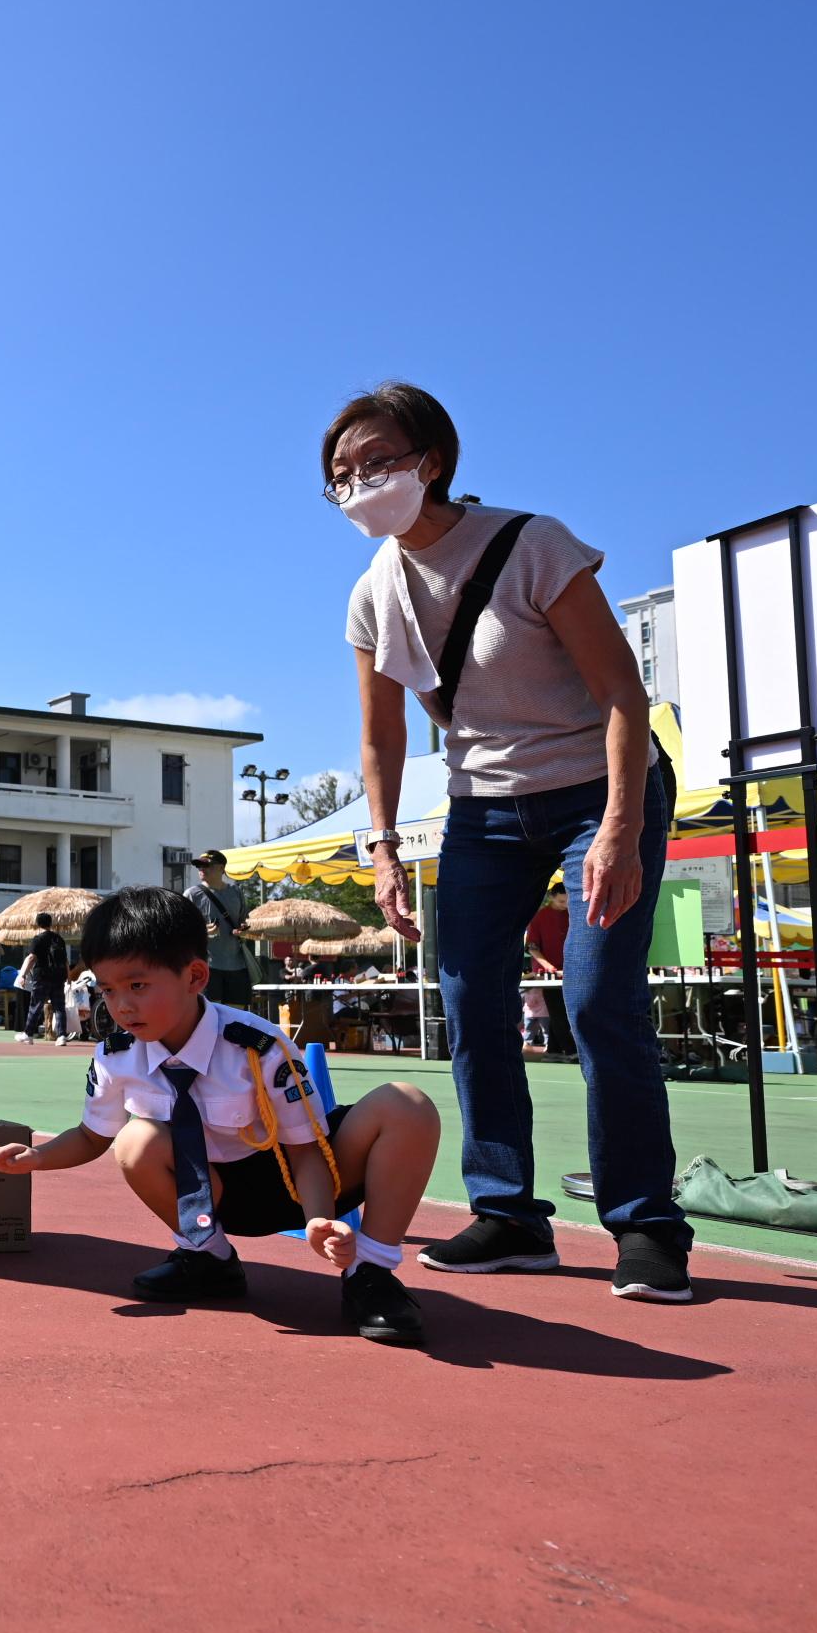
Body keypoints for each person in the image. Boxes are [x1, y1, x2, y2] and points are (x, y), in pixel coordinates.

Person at [333, 380, 695, 1301]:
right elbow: (382, 736)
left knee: (598, 998)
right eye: (340, 474)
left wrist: (619, 828)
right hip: (481, 811)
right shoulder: (374, 592)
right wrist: (380, 847)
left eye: (377, 461)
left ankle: (646, 1223)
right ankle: (506, 1215)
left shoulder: (533, 543)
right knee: (470, 1001)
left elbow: (624, 694)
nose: (359, 482)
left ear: (432, 460)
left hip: (596, 790)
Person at [0, 886, 441, 1347]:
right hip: (212, 1194)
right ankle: (210, 1257)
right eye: (109, 989)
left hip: (298, 1178)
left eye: (137, 985)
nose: (122, 1006)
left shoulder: (257, 1047)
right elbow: (91, 1138)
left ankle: (371, 1274)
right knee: (136, 1140)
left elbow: (305, 1150)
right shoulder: (115, 1057)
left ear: (195, 976)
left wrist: (318, 1219)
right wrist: (34, 1157)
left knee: (406, 1104)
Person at [185, 851, 256, 1004]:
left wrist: (242, 930)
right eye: (199, 866)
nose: (201, 869)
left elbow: (246, 921)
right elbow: (179, 930)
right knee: (209, 1015)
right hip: (206, 967)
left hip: (238, 966)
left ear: (222, 869)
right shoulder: (191, 895)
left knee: (236, 1016)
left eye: (206, 865)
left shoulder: (236, 892)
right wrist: (202, 931)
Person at [523, 885, 570, 1056]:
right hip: (547, 973)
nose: (565, 904)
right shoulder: (540, 917)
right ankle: (570, 1048)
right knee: (557, 1009)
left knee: (561, 1009)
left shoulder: (571, 914)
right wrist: (548, 965)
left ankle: (554, 1049)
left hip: (568, 970)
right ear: (551, 897)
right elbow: (532, 947)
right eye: (561, 901)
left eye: (567, 901)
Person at [18, 924, 69, 1044]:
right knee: (60, 1008)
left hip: (42, 977)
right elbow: (65, 960)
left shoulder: (38, 939)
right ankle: (62, 1036)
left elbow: (31, 958)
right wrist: (69, 976)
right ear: (50, 924)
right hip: (58, 977)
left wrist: (23, 975)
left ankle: (28, 1034)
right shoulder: (59, 939)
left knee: (36, 1006)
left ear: (37, 925)